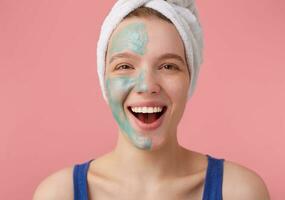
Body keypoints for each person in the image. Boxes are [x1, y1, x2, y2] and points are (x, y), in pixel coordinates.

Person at [33, 0, 270, 199]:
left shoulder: (239, 192)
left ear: (190, 79)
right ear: (104, 79)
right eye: (124, 66)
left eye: (168, 66)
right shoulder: (58, 194)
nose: (147, 85)